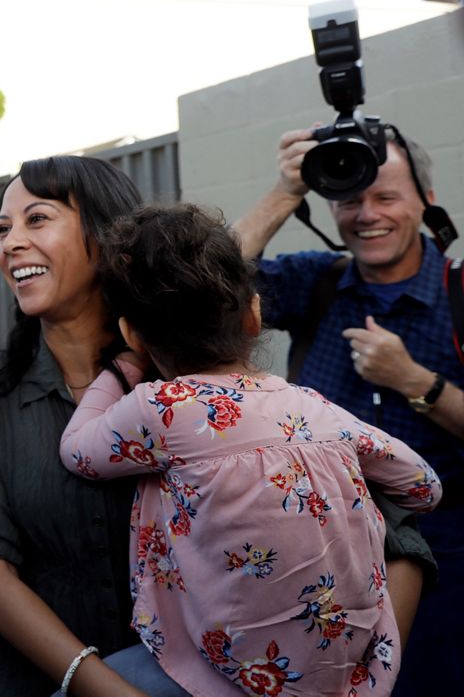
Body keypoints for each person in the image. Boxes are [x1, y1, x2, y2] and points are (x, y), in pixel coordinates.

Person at [60, 203, 442, 696]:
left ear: (132, 332)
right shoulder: (313, 407)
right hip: (355, 673)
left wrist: (123, 370)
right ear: (254, 314)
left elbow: (77, 451)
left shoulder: (160, 408)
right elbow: (424, 486)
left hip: (230, 675)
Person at [232, 126, 464, 695]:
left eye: (386, 197)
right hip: (321, 562)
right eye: (351, 200)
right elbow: (205, 283)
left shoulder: (459, 293)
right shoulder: (318, 281)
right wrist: (287, 191)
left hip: (449, 565)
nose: (368, 215)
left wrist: (416, 383)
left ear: (426, 202)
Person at [0, 156, 157, 697]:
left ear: (108, 235)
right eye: (3, 229)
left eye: (36, 219)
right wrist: (107, 688)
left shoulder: (177, 369)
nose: (11, 243)